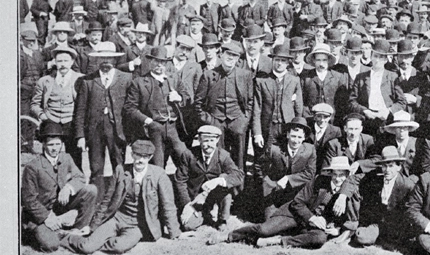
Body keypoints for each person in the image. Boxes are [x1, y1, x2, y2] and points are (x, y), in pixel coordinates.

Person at [63, 140, 180, 255]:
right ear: (132, 154)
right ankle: (66, 237)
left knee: (119, 247)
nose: (140, 160)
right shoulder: (121, 170)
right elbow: (107, 201)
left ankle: (99, 243)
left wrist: (175, 233)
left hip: (138, 225)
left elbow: (168, 205)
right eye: (137, 155)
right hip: (117, 219)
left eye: (145, 157)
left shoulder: (159, 174)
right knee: (87, 247)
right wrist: (93, 227)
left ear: (150, 157)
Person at [215, 156, 359, 248]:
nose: (338, 179)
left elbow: (348, 217)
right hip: (294, 214)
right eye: (335, 174)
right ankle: (230, 236)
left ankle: (280, 241)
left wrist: (337, 229)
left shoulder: (347, 193)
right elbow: (297, 202)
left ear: (347, 176)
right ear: (330, 173)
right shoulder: (318, 181)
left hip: (315, 226)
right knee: (264, 230)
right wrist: (312, 218)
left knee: (319, 239)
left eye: (342, 175)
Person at [21, 122, 97, 252]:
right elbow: (28, 200)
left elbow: (80, 177)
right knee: (51, 245)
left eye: (58, 144)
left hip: (59, 206)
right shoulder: (32, 167)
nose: (54, 148)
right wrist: (47, 217)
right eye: (50, 144)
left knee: (91, 190)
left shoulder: (66, 157)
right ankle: (50, 231)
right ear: (43, 144)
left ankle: (77, 229)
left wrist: (68, 188)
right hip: (41, 213)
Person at [73, 42, 132, 202]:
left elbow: (130, 109)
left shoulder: (126, 78)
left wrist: (131, 133)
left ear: (114, 60)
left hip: (117, 130)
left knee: (119, 166)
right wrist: (80, 136)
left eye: (109, 58)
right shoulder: (88, 81)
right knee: (96, 167)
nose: (106, 61)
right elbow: (79, 111)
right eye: (102, 58)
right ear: (97, 60)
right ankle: (96, 201)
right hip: (95, 131)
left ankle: (119, 200)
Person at [123, 45, 190, 167]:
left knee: (185, 158)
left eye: (163, 62)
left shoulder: (173, 78)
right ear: (150, 62)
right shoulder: (139, 82)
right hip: (153, 128)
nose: (160, 65)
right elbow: (130, 108)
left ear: (166, 63)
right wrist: (148, 121)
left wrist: (179, 97)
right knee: (158, 163)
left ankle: (179, 185)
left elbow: (187, 97)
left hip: (173, 127)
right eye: (156, 61)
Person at [194, 42, 254, 170]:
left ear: (238, 59)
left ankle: (238, 188)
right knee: (218, 156)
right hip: (216, 120)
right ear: (221, 54)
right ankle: (219, 186)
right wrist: (209, 120)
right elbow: (198, 103)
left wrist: (244, 120)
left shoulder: (245, 75)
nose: (231, 58)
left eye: (234, 56)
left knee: (239, 159)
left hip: (237, 121)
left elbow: (250, 101)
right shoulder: (209, 75)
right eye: (228, 54)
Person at [175, 126, 244, 232]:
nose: (208, 145)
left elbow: (239, 175)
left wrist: (219, 181)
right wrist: (187, 204)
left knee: (225, 179)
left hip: (214, 194)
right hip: (195, 197)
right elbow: (180, 180)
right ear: (199, 140)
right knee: (188, 226)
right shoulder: (188, 155)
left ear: (217, 140)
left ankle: (222, 219)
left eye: (212, 140)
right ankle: (205, 214)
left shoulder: (223, 155)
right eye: (205, 141)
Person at [31, 45, 84, 169]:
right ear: (55, 62)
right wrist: (42, 115)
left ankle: (76, 182)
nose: (63, 64)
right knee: (50, 156)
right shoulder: (45, 81)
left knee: (75, 157)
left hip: (71, 122)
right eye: (59, 61)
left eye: (66, 61)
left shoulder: (81, 79)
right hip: (51, 121)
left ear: (72, 62)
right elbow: (34, 104)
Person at [353, 146, 417, 246]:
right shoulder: (377, 181)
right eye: (384, 166)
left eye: (391, 166)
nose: (387, 170)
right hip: (378, 223)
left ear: (398, 167)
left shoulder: (407, 185)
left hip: (396, 225)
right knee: (361, 237)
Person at [257, 117, 317, 219]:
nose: (296, 141)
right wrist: (268, 183)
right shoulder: (274, 149)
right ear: (288, 135)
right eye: (293, 136)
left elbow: (310, 174)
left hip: (296, 195)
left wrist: (288, 179)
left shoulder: (310, 150)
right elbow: (259, 166)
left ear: (304, 138)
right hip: (275, 194)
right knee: (270, 224)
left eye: (299, 137)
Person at [253, 44, 304, 152]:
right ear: (272, 60)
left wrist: (297, 129)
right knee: (264, 158)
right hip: (268, 127)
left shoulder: (294, 81)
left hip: (287, 126)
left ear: (287, 62)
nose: (279, 63)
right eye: (277, 60)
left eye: (283, 60)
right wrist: (257, 133)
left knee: (284, 158)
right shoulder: (262, 81)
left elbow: (298, 107)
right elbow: (257, 109)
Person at [348, 39, 405, 133]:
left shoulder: (392, 77)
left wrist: (389, 111)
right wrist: (365, 111)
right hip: (367, 120)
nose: (377, 60)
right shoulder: (361, 77)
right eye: (375, 56)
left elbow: (402, 102)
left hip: (386, 121)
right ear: (371, 57)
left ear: (386, 60)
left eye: (381, 57)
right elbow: (352, 101)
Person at [301, 43, 348, 119]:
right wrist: (308, 116)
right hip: (311, 119)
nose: (321, 64)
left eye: (324, 60)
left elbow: (342, 103)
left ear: (329, 60)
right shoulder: (306, 78)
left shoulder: (338, 77)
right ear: (313, 60)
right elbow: (302, 102)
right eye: (318, 60)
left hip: (332, 120)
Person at [306, 103, 342, 170]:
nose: (322, 120)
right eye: (319, 116)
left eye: (326, 117)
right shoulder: (308, 129)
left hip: (325, 167)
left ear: (330, 117)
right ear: (314, 117)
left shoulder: (336, 131)